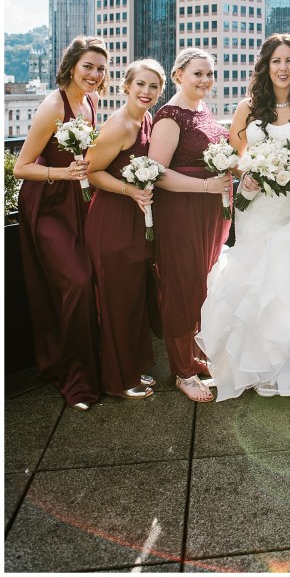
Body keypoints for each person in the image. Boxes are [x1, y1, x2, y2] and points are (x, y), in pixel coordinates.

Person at [197, 34, 290, 399]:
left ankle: (288, 365)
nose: (283, 68)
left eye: (289, 61)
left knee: (288, 280)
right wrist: (246, 174)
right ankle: (252, 363)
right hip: (255, 208)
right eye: (276, 61)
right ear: (266, 67)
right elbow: (234, 154)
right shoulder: (248, 107)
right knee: (255, 279)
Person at [14, 35, 108, 410]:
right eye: (88, 66)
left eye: (101, 69)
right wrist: (61, 174)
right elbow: (22, 166)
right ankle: (75, 377)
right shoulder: (53, 105)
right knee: (78, 282)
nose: (95, 74)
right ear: (70, 66)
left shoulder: (93, 101)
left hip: (80, 201)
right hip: (48, 204)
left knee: (96, 276)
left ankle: (90, 364)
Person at [147, 48, 232, 404]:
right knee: (181, 286)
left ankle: (195, 355)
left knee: (202, 284)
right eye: (198, 73)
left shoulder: (204, 112)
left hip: (211, 210)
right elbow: (157, 172)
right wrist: (205, 186)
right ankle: (182, 371)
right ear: (179, 74)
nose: (205, 80)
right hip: (182, 211)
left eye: (210, 74)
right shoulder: (169, 116)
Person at [85, 58, 166, 399]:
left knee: (134, 297)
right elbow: (91, 172)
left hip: (136, 221)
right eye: (141, 85)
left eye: (154, 86)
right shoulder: (120, 125)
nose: (147, 92)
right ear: (126, 86)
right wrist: (131, 190)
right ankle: (118, 380)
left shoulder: (145, 117)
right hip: (113, 221)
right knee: (117, 301)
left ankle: (134, 366)